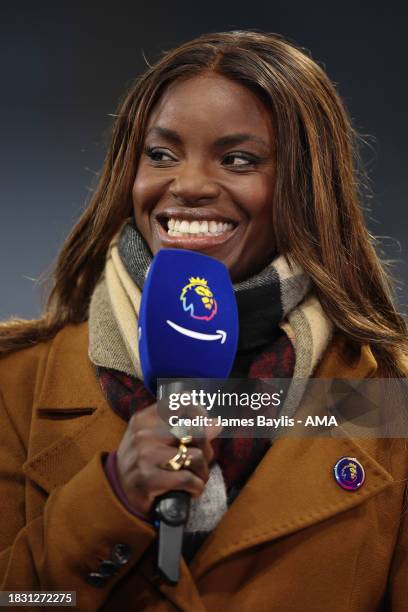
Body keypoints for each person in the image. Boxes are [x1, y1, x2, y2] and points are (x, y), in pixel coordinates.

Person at [0, 30, 407, 611]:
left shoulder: (388, 396)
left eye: (238, 159)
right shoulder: (13, 384)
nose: (187, 185)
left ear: (308, 185)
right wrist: (112, 500)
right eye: (161, 154)